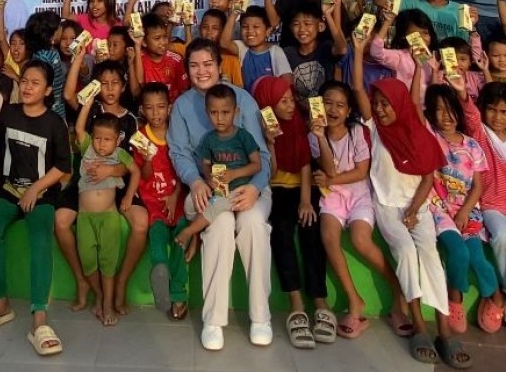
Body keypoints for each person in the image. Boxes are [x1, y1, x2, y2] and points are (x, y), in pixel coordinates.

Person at [351, 45, 463, 367]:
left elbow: (428, 178)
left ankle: (444, 331)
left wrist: (414, 211)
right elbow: (357, 87)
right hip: (387, 207)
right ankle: (419, 327)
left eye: (386, 103)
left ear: (398, 104)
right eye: (377, 103)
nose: (380, 109)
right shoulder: (375, 128)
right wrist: (358, 51)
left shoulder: (418, 131)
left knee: (430, 256)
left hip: (419, 207)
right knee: (405, 252)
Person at [168, 38, 273, 349]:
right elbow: (179, 152)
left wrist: (254, 188)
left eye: (207, 64)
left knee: (253, 223)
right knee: (222, 222)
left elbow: (262, 157)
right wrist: (195, 181)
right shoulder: (182, 106)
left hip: (249, 186)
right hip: (206, 191)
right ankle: (213, 320)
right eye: (194, 65)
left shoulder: (243, 100)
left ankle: (261, 317)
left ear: (218, 65)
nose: (201, 71)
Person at [0, 59, 71, 357]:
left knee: (40, 237)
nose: (27, 87)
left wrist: (36, 189)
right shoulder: (10, 113)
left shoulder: (54, 123)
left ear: (48, 90)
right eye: (24, 80)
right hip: (9, 190)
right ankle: (0, 304)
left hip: (42, 195)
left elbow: (63, 167)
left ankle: (39, 318)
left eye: (35, 83)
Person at [307, 79, 407, 338]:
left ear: (349, 110)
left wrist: (330, 180)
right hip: (333, 197)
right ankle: (355, 301)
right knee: (329, 237)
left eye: (340, 105)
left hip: (359, 194)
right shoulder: (314, 136)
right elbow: (329, 168)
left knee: (361, 239)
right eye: (327, 103)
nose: (333, 109)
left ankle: (398, 290)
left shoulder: (358, 132)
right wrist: (320, 137)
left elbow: (361, 172)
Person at [253, 76, 332, 348]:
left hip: (302, 188)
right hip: (276, 189)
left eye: (290, 100)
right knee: (281, 231)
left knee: (312, 229)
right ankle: (295, 302)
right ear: (268, 106)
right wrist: (271, 144)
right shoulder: (261, 130)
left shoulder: (300, 123)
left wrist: (306, 201)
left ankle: (319, 300)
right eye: (283, 102)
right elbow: (270, 173)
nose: (289, 106)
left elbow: (305, 165)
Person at [422, 82, 503, 334]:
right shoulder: (430, 139)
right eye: (439, 109)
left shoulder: (472, 146)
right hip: (440, 211)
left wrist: (465, 211)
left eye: (450, 109)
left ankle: (495, 295)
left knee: (478, 259)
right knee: (458, 253)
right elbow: (415, 106)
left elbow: (478, 186)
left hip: (468, 210)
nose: (446, 116)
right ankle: (455, 298)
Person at [450, 78, 506, 333]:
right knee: (503, 239)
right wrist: (461, 92)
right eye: (491, 109)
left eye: (504, 112)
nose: (497, 117)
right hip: (491, 206)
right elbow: (470, 115)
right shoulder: (480, 133)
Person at [174, 84, 262, 261]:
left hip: (242, 189)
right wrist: (208, 178)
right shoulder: (209, 139)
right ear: (207, 113)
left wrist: (234, 174)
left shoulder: (243, 136)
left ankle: (190, 231)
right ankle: (196, 234)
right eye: (213, 113)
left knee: (216, 205)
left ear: (235, 112)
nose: (219, 118)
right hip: (221, 189)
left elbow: (256, 165)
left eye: (225, 112)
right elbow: (205, 163)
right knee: (203, 203)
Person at [74, 98, 140, 326]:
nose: (101, 144)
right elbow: (79, 129)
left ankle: (108, 305)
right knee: (87, 261)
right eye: (98, 138)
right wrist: (87, 104)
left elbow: (135, 172)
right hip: (85, 217)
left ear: (118, 140)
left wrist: (129, 196)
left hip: (109, 217)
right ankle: (100, 295)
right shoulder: (87, 149)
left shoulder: (119, 155)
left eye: (107, 139)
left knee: (108, 263)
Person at [132, 83, 188, 320]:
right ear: (142, 110)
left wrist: (175, 196)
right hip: (153, 201)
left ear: (169, 107)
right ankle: (160, 273)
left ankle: (178, 292)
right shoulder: (140, 137)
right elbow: (144, 176)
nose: (156, 113)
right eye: (150, 108)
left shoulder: (178, 132)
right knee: (156, 233)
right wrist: (146, 159)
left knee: (181, 239)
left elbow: (186, 169)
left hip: (178, 199)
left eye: (161, 107)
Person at [219, 6, 292, 93]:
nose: (250, 31)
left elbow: (287, 82)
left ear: (268, 31)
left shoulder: (275, 51)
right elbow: (224, 43)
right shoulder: (243, 48)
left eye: (256, 27)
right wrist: (234, 14)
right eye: (245, 27)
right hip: (248, 99)